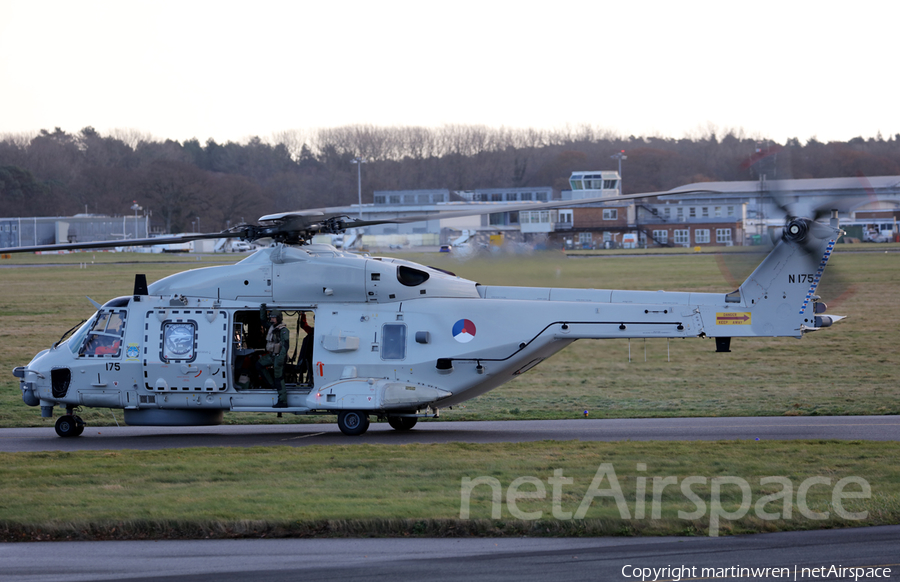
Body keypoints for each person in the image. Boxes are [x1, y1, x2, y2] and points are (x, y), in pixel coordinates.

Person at [256, 303, 290, 407]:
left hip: (279, 356)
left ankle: (283, 400)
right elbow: (263, 321)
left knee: (279, 378)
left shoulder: (283, 330)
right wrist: (263, 310)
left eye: (274, 318)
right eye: (271, 317)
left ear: (279, 318)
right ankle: (271, 385)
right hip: (272, 355)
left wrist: (280, 358)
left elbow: (285, 346)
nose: (272, 320)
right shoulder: (272, 327)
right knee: (259, 365)